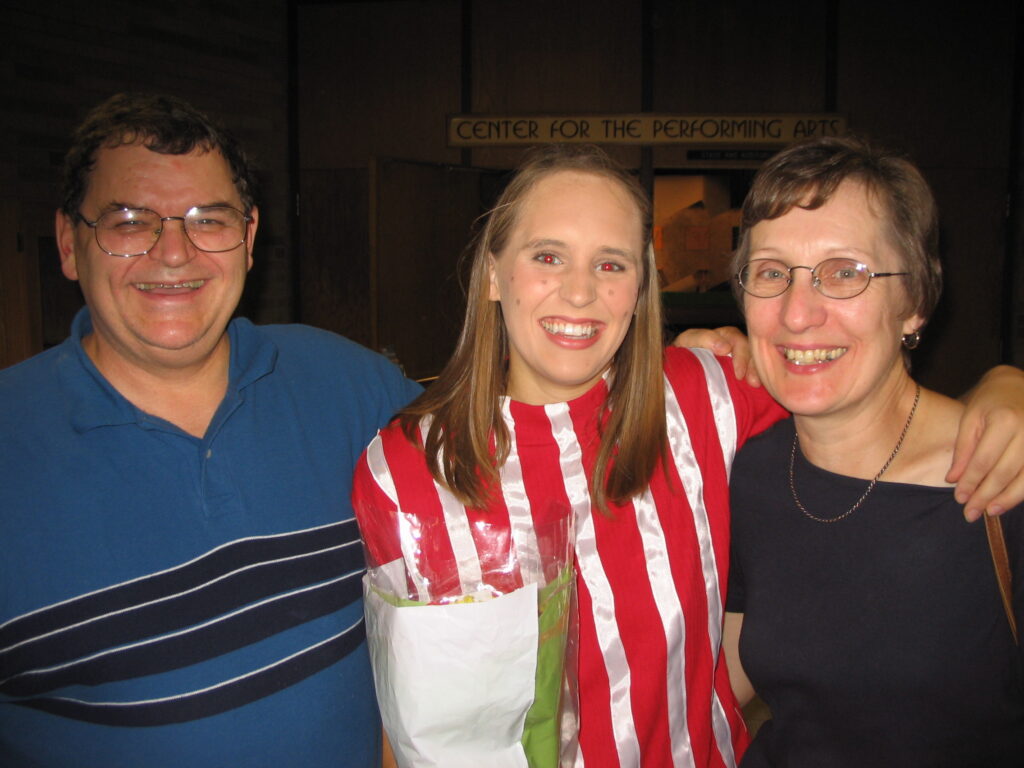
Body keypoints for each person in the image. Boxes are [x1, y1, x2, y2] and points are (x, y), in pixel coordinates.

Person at [351, 144, 1024, 767]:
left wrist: (1006, 386)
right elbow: (408, 709)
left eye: (611, 264)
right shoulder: (402, 470)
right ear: (493, 273)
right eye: (548, 256)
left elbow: (855, 399)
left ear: (642, 288)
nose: (580, 292)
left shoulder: (705, 396)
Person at [0, 93, 421, 767]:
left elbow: (518, 500)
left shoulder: (352, 388)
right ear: (68, 244)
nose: (174, 252)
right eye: (131, 221)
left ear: (249, 240)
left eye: (209, 219)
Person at [723, 135, 1024, 767]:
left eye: (845, 273)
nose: (797, 314)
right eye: (772, 272)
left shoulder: (1002, 483)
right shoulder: (749, 474)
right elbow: (715, 683)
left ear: (913, 300)